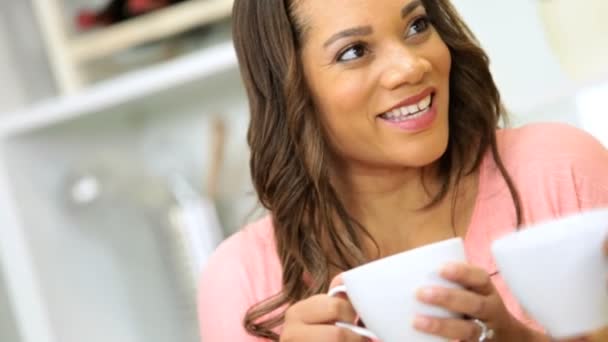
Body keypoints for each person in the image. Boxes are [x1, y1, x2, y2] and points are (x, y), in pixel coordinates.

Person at [198, 0, 608, 341]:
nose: (410, 66)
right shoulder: (242, 281)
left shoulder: (558, 171)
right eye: (354, 52)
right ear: (291, 89)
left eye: (416, 25)